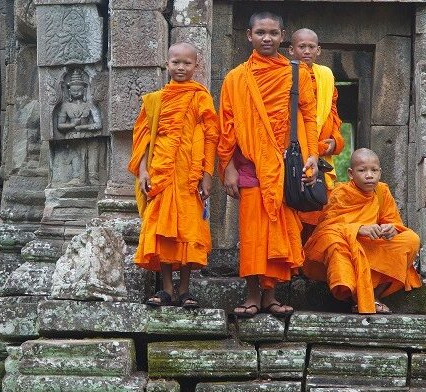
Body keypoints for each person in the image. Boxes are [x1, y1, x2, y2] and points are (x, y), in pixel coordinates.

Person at [219, 12, 319, 318]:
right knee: (251, 232)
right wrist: (227, 168)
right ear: (249, 35)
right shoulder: (236, 78)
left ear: (282, 36)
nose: (267, 38)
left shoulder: (296, 73)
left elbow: (310, 116)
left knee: (279, 229)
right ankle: (252, 295)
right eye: (260, 32)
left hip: (285, 166)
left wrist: (313, 154)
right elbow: (226, 125)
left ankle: (271, 296)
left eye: (273, 33)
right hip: (248, 164)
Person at [128, 42, 219, 309]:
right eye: (175, 62)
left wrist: (208, 174)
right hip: (161, 174)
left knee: (188, 231)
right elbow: (143, 140)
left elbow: (212, 136)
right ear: (166, 64)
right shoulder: (155, 100)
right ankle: (167, 289)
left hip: (190, 176)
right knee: (163, 232)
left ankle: (185, 289)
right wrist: (143, 171)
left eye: (187, 63)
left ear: (196, 66)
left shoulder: (200, 96)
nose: (181, 68)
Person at [302, 148, 421, 314]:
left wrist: (390, 229)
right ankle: (359, 297)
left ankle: (373, 295)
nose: (369, 175)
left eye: (374, 170)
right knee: (332, 241)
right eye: (362, 170)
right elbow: (326, 228)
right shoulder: (340, 193)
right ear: (351, 173)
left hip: (370, 246)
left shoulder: (382, 191)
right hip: (348, 246)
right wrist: (358, 229)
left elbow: (393, 221)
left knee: (410, 239)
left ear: (380, 172)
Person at [288, 28, 346, 241]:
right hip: (293, 149)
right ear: (291, 49)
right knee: (292, 205)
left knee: (317, 206)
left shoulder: (326, 76)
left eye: (311, 47)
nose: (306, 51)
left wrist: (335, 142)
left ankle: (310, 262)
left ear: (319, 50)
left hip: (320, 153)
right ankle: (293, 264)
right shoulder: (284, 74)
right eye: (301, 46)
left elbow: (333, 115)